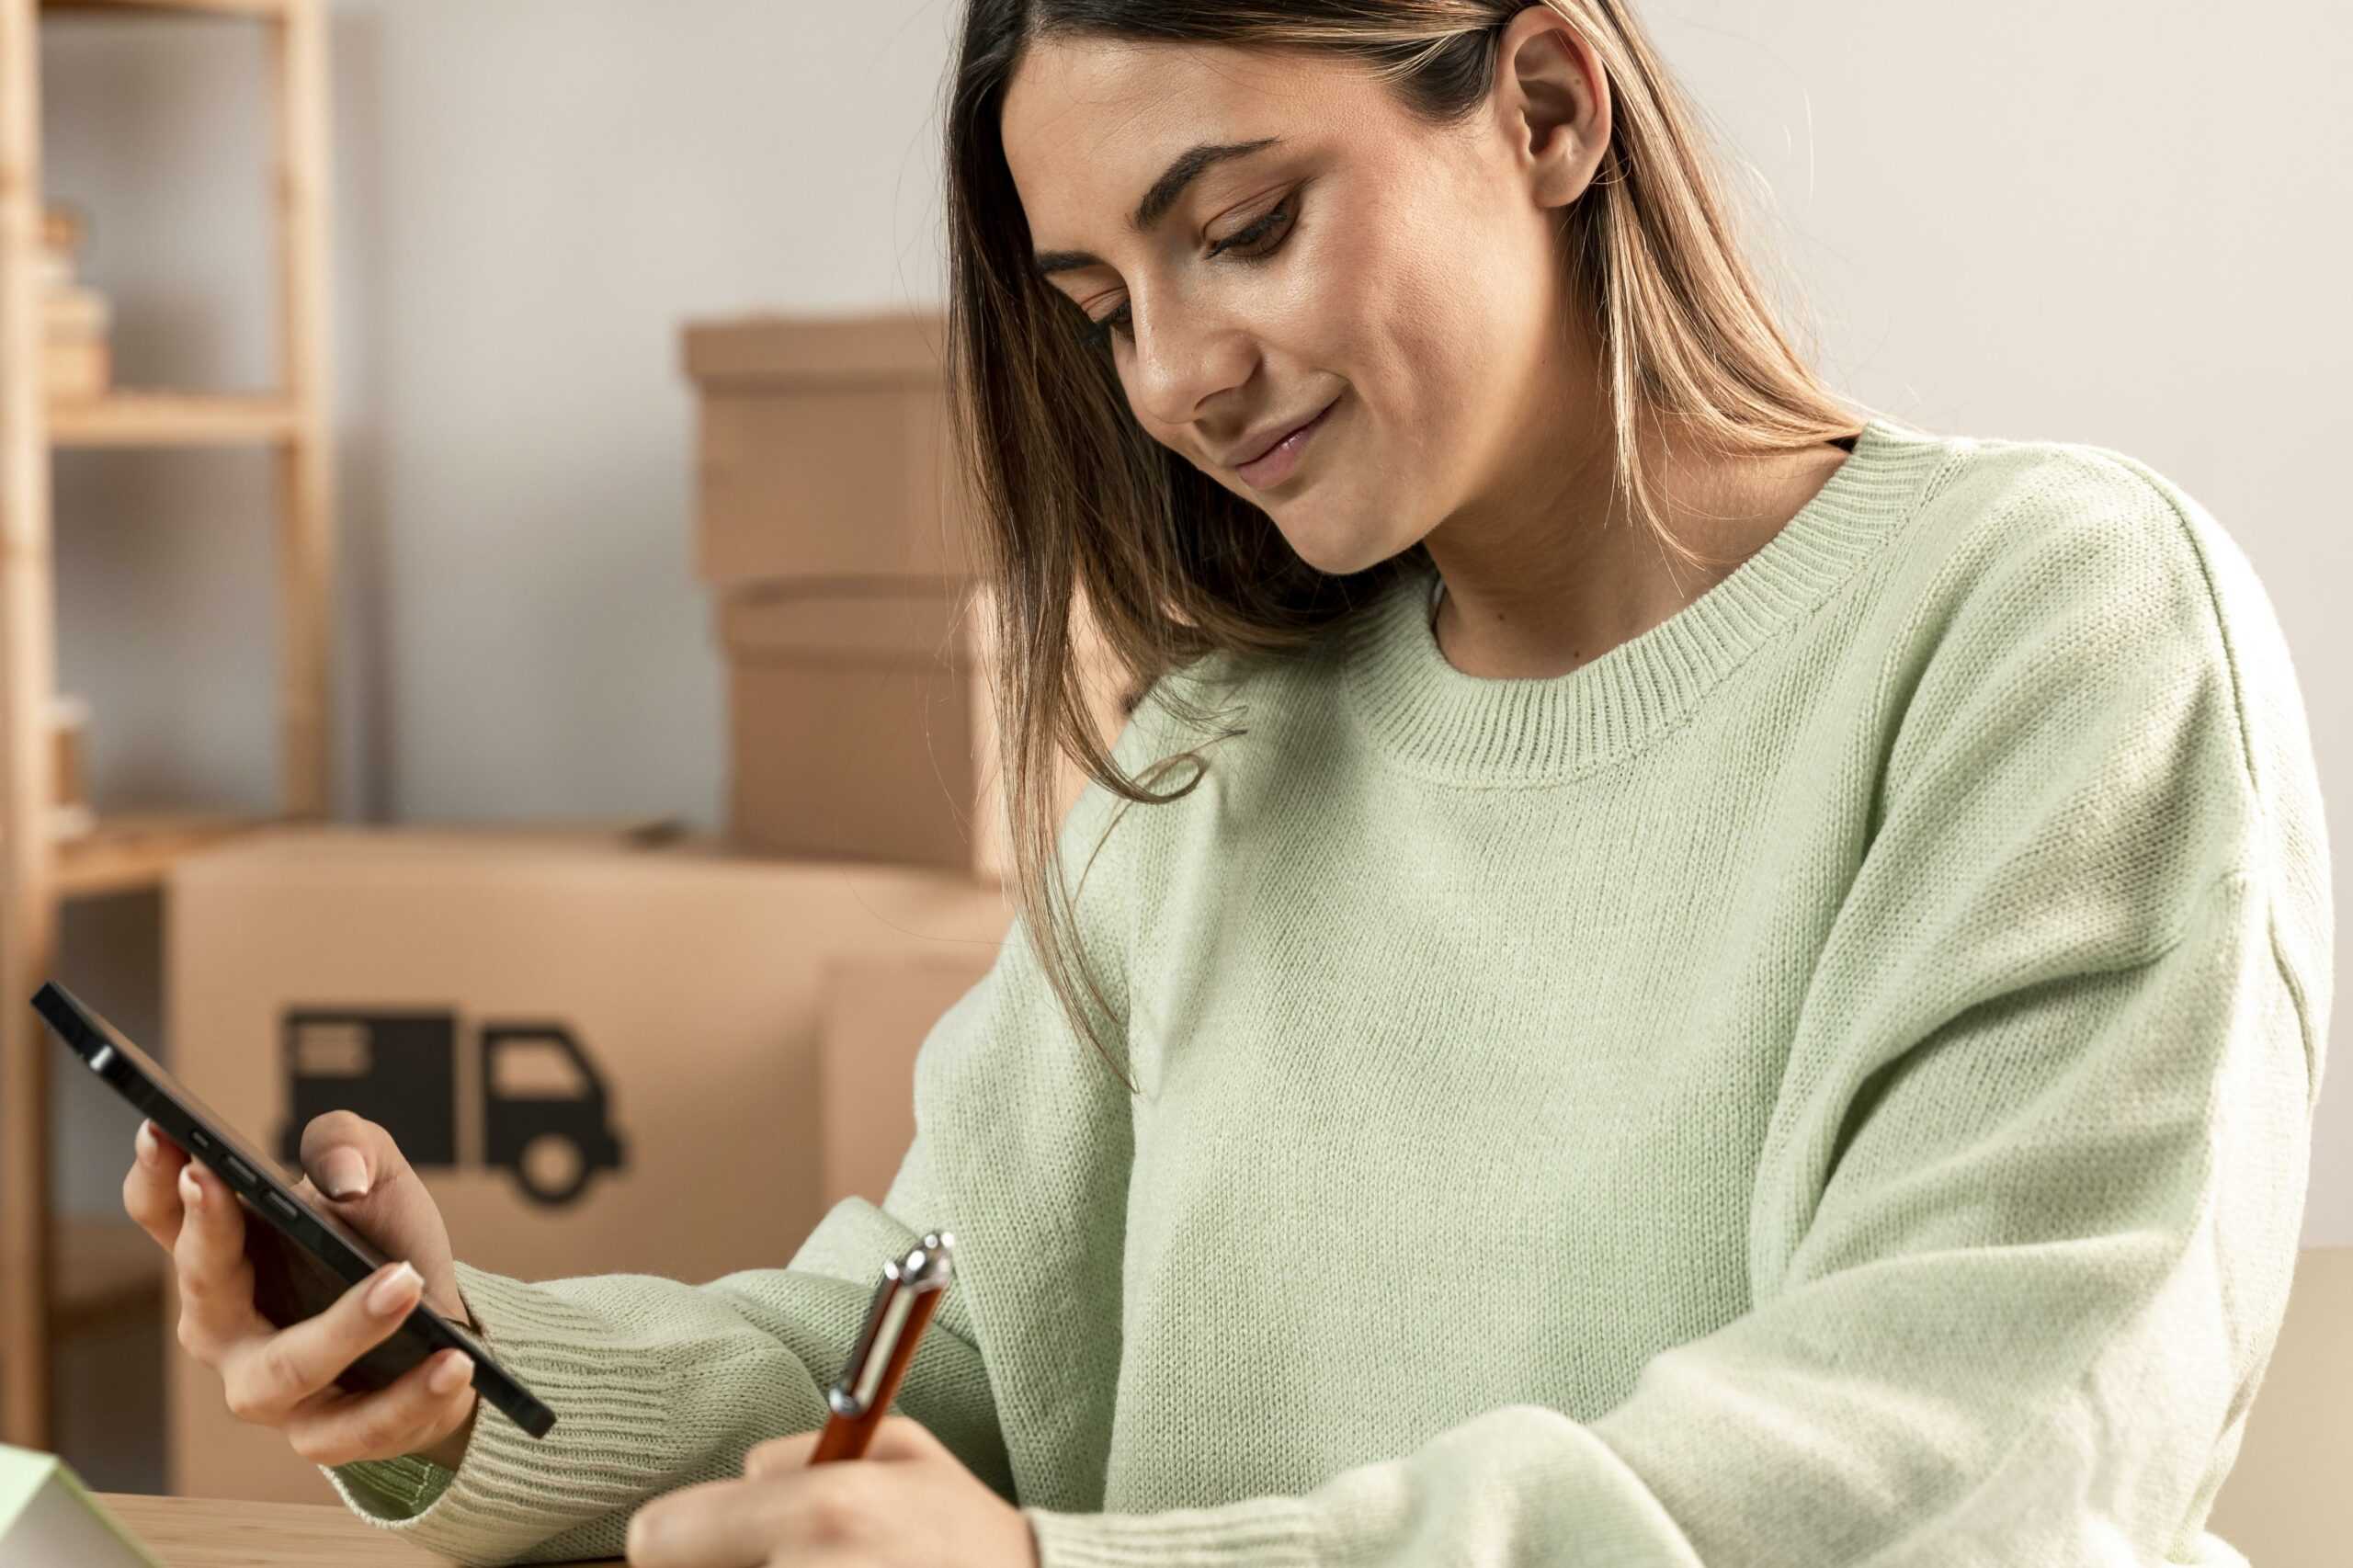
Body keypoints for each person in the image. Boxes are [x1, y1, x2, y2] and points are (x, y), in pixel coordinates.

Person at [121, 3, 2331, 1565]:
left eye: (1243, 224)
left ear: (1545, 104)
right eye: (1095, 299)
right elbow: (943, 1348)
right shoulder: (1215, 750)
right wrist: (470, 1374)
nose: (1172, 374)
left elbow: (1964, 1478)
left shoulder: (2044, 623)